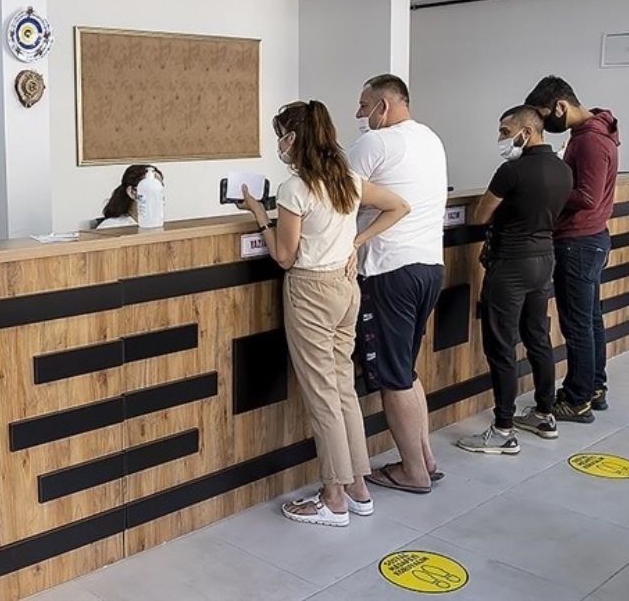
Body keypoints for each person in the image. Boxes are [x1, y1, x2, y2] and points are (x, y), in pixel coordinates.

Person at [238, 100, 409, 526]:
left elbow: (284, 255)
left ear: (293, 138)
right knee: (342, 389)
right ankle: (358, 488)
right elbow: (399, 206)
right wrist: (355, 243)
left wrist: (260, 216)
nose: (279, 144)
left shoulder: (294, 189)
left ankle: (333, 497)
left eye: (280, 135)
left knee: (322, 398)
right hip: (345, 289)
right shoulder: (347, 178)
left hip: (310, 291)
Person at [347, 74, 447, 494]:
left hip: (389, 270)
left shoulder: (376, 142)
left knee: (393, 379)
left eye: (363, 104)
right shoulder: (430, 138)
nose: (359, 113)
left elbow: (337, 196)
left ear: (383, 106)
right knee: (405, 369)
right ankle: (425, 458)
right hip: (429, 267)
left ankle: (413, 472)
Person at [457, 106, 573, 454]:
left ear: (527, 132)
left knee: (501, 346)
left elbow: (481, 215)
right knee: (538, 337)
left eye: (505, 132)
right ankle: (544, 413)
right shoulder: (564, 170)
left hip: (510, 264)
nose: (501, 139)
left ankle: (504, 428)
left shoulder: (511, 171)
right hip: (544, 259)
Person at [525, 76, 620, 420]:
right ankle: (593, 387)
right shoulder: (594, 132)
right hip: (590, 239)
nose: (544, 124)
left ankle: (578, 400)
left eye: (544, 114)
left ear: (561, 106)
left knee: (578, 324)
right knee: (590, 320)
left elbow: (587, 196)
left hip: (579, 242)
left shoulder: (590, 140)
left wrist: (548, 189)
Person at [96, 164, 164, 229]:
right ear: (132, 192)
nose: (157, 197)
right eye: (151, 189)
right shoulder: (111, 226)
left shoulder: (158, 224)